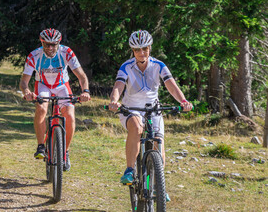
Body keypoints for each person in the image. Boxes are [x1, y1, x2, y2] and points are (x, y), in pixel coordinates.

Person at [108, 30, 193, 201]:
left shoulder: (159, 65)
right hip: (131, 109)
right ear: (133, 51)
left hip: (153, 109)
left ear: (150, 48)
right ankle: (130, 170)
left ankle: (157, 186)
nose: (142, 53)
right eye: (138, 50)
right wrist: (114, 101)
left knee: (158, 143)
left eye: (145, 49)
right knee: (137, 128)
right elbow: (119, 85)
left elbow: (171, 85)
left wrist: (183, 101)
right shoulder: (126, 66)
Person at [20, 28, 91, 171]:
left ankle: (65, 152)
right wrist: (27, 91)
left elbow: (82, 76)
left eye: (54, 44)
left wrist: (85, 91)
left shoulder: (67, 52)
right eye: (47, 44)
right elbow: (24, 81)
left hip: (61, 86)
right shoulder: (34, 55)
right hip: (42, 85)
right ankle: (41, 146)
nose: (50, 48)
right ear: (42, 43)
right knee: (41, 108)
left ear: (59, 43)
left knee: (70, 115)